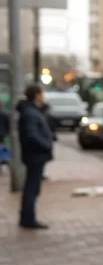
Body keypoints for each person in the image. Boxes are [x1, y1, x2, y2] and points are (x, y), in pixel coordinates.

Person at [16, 85, 54, 229]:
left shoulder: (32, 111)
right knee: (32, 188)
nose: (43, 96)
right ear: (36, 95)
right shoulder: (30, 113)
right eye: (41, 94)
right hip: (35, 155)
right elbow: (31, 135)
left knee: (32, 187)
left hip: (35, 155)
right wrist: (46, 145)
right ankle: (28, 218)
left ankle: (26, 216)